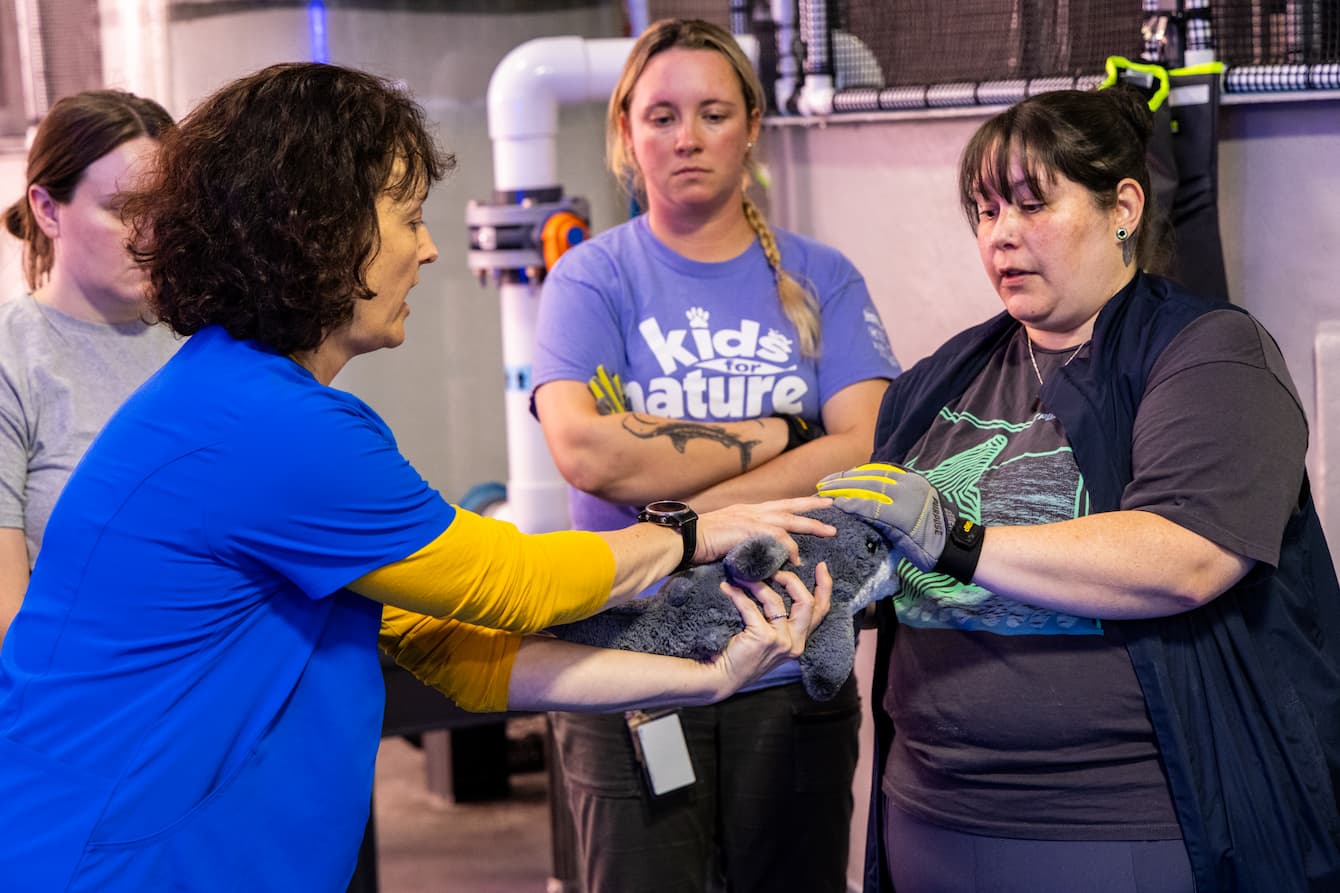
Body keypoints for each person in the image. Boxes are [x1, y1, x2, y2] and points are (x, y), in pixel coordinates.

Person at [0, 62, 840, 892]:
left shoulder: (239, 396)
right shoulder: (265, 425)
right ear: (320, 230)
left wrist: (709, 675)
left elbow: (459, 649)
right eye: (408, 218)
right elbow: (511, 582)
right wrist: (691, 532)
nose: (430, 248)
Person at [816, 86, 1340, 892]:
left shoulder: (1209, 356)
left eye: (1032, 203)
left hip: (1125, 830)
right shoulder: (934, 381)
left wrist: (957, 541)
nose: (1002, 235)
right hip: (932, 816)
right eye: (986, 212)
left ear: (1122, 206)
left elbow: (1185, 554)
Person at [531, 19, 899, 893]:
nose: (686, 137)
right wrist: (786, 438)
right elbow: (588, 451)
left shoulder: (825, 276)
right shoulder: (591, 280)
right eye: (660, 116)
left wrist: (685, 510)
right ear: (626, 132)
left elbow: (865, 443)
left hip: (788, 650)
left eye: (711, 113)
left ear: (753, 127)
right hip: (628, 664)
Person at [0, 89, 178, 641]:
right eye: (123, 210)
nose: (150, 234)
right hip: (82, 704)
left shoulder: (208, 341)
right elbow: (7, 623)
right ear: (48, 209)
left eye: (165, 209)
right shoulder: (14, 359)